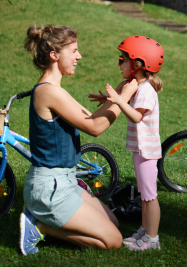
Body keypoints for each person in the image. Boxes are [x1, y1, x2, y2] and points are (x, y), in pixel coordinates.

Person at [20, 24, 138, 255]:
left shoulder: (55, 90)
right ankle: (39, 226)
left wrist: (117, 93)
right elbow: (95, 127)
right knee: (113, 240)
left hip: (64, 181)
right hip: (50, 187)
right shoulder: (48, 92)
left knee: (113, 222)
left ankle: (47, 216)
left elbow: (91, 117)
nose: (79, 56)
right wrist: (123, 99)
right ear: (55, 55)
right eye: (73, 50)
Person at [103, 35, 164, 251]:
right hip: (141, 150)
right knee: (144, 195)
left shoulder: (146, 90)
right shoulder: (138, 86)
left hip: (147, 151)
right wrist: (109, 99)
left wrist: (119, 101)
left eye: (122, 60)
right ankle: (145, 231)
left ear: (137, 64)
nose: (119, 64)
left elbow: (136, 116)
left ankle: (152, 239)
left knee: (149, 196)